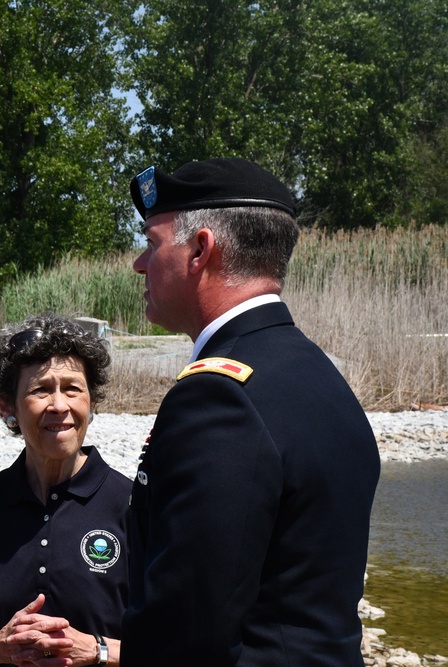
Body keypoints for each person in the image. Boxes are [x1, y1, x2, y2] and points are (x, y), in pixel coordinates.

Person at [121, 158, 380, 666]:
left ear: (200, 250)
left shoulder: (220, 396)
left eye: (152, 243)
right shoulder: (318, 377)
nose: (138, 263)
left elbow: (188, 627)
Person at [0, 315, 131, 667]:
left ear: (92, 401)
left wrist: (97, 650)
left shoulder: (131, 504)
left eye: (72, 388)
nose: (59, 405)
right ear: (7, 406)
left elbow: (177, 646)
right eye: (40, 390)